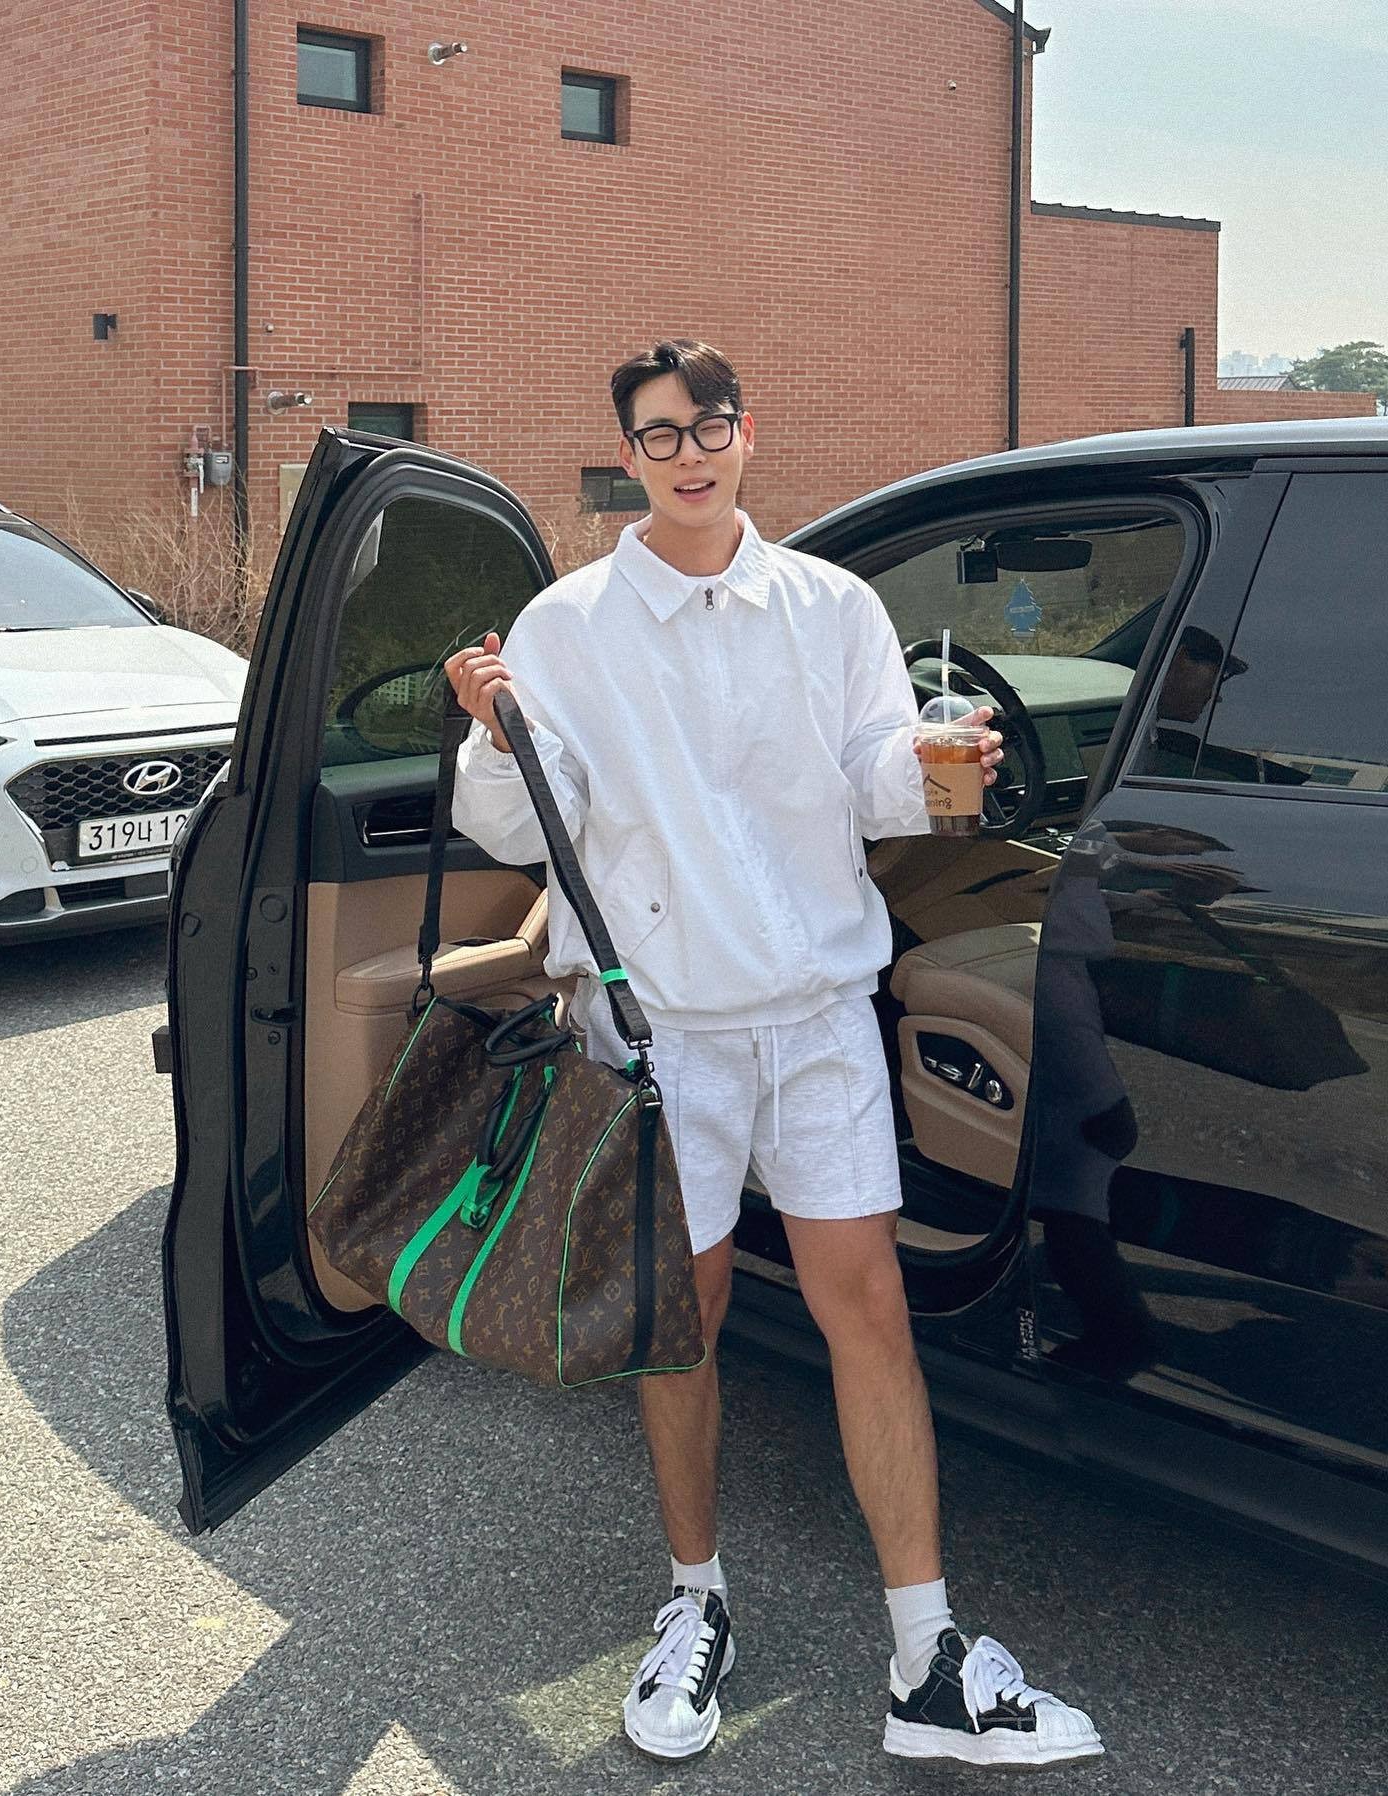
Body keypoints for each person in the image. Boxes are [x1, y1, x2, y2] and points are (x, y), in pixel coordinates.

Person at [445, 339, 1103, 1769]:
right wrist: (493, 734)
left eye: (711, 426)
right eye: (660, 434)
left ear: (749, 434)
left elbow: (871, 778)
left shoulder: (833, 604)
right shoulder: (567, 626)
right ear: (628, 455)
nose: (689, 454)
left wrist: (937, 770)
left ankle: (927, 1655)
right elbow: (519, 826)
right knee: (681, 1318)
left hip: (816, 1016)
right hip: (660, 1030)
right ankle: (696, 1601)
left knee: (867, 1307)